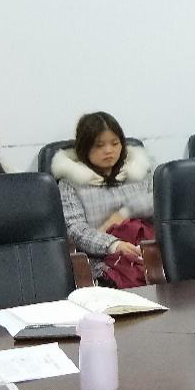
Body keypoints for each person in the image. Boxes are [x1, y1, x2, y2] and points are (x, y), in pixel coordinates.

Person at [52, 112, 154, 284]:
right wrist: (113, 245)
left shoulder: (139, 171)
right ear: (84, 147)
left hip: (148, 254)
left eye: (115, 143)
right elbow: (76, 230)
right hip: (103, 262)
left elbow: (160, 204)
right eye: (99, 145)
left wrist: (125, 212)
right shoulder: (70, 183)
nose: (109, 150)